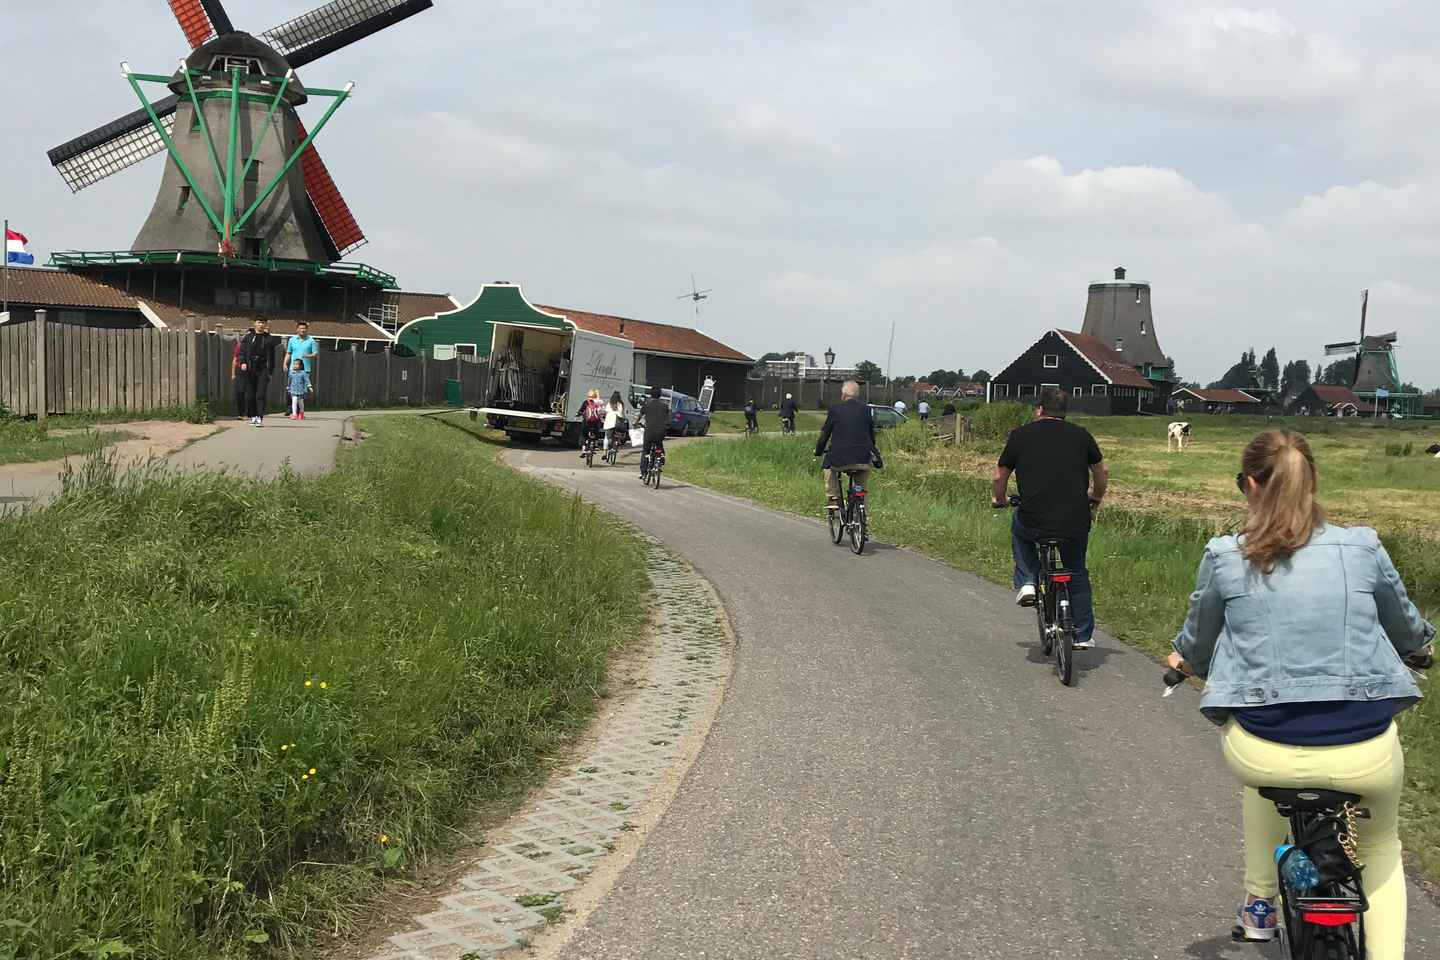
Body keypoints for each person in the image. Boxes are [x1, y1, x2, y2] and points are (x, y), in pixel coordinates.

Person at [1168, 431, 1434, 955]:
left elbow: (1197, 638)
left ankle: (1261, 904)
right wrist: (1421, 649)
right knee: (1381, 849)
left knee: (1264, 769)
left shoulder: (1226, 555)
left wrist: (1182, 661)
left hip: (1262, 753)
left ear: (1249, 484)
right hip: (1365, 754)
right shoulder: (1362, 546)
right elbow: (1407, 629)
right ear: (1313, 481)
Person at [991, 387, 1106, 650]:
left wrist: (999, 500)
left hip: (1033, 517)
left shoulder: (1021, 435)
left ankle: (1028, 582)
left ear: (1039, 409)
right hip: (1075, 518)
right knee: (1076, 569)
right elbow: (1101, 471)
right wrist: (1096, 498)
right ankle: (1083, 634)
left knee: (1020, 532)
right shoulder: (1082, 436)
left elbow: (1000, 476)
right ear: (1064, 412)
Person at [815, 381, 877, 512]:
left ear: (843, 396)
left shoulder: (835, 409)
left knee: (828, 467)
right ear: (858, 396)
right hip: (863, 458)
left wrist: (819, 450)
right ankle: (863, 516)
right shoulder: (867, 410)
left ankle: (833, 498)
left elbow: (825, 434)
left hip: (840, 458)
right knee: (861, 486)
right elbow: (872, 436)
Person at [237, 317, 278, 426]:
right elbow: (241, 352)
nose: (261, 325)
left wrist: (270, 371)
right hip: (250, 367)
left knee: (260, 394)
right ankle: (253, 415)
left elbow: (272, 357)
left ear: (266, 325)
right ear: (255, 323)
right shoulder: (248, 337)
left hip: (263, 368)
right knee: (250, 395)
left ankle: (259, 416)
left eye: (263, 323)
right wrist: (243, 362)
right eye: (259, 322)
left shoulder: (269, 339)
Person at [637, 385, 669, 480]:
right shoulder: (665, 406)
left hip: (649, 432)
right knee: (659, 444)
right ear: (660, 395)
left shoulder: (647, 405)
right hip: (661, 432)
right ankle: (661, 458)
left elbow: (639, 416)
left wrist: (635, 423)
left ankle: (643, 472)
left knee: (646, 451)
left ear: (651, 395)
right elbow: (667, 418)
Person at [283, 320, 319, 391]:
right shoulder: (292, 340)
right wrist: (285, 363)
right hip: (293, 369)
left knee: (303, 390)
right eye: (301, 328)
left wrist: (308, 356)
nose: (302, 330)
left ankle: (301, 402)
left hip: (305, 369)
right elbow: (288, 353)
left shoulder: (311, 340)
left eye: (304, 328)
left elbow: (315, 353)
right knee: (292, 389)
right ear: (297, 329)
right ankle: (292, 402)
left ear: (307, 329)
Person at [576, 388, 605, 457]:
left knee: (583, 435)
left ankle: (583, 450)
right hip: (595, 423)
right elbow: (602, 412)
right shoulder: (598, 402)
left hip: (586, 422)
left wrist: (578, 414)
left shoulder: (586, 402)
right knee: (596, 431)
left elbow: (581, 410)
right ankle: (595, 444)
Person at [230, 339, 246, 420]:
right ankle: (241, 413)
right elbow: (234, 360)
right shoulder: (239, 346)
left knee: (248, 393)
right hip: (239, 373)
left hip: (249, 373)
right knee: (239, 392)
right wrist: (233, 373)